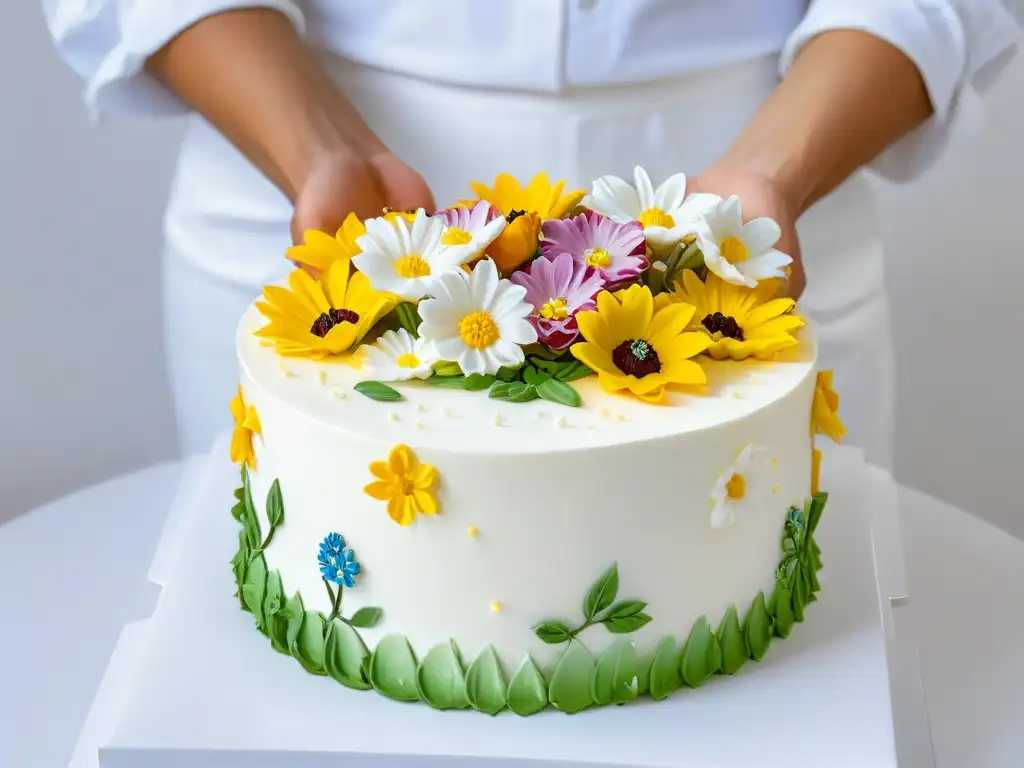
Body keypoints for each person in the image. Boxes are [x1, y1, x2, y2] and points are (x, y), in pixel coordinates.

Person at [44, 1, 1020, 465]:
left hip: (761, 202)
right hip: (298, 171)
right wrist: (311, 148)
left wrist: (768, 176)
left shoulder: (760, 196)